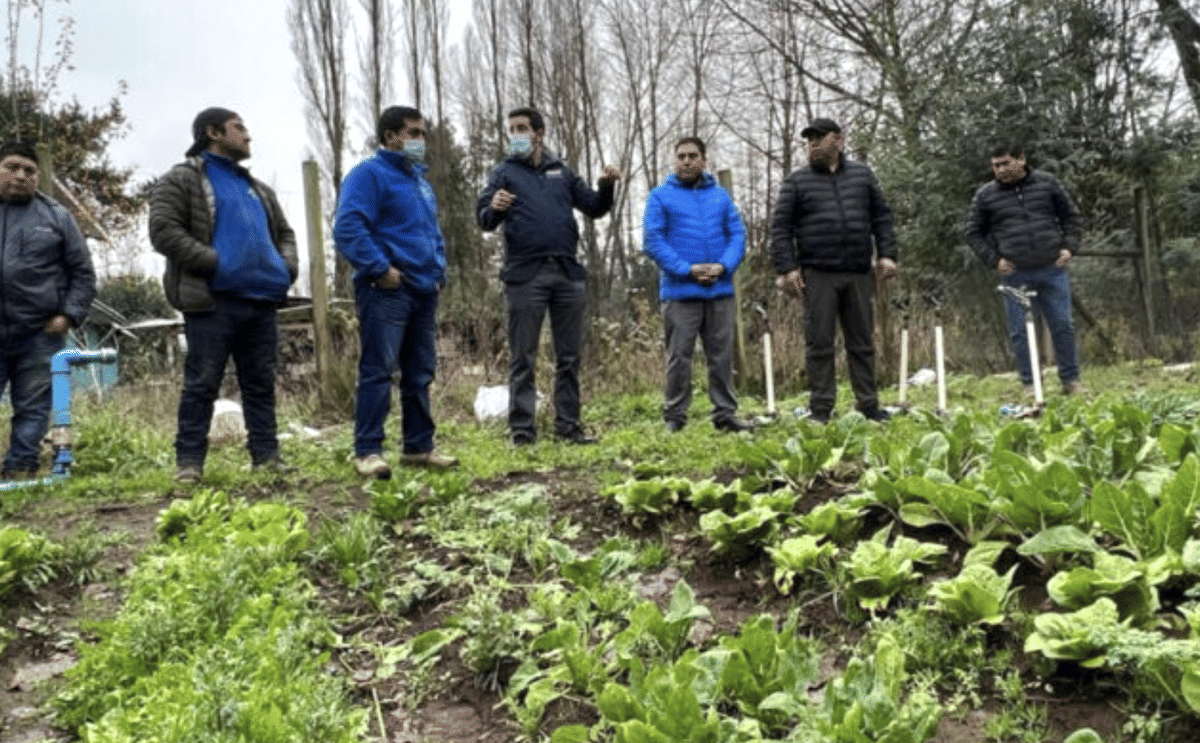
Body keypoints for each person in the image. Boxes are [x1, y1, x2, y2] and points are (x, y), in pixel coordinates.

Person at [149, 108, 298, 484]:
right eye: (239, 128)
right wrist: (216, 263)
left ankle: (267, 458)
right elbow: (164, 230)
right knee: (202, 382)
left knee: (260, 383)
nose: (248, 136)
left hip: (261, 301)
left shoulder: (259, 188)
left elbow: (285, 233)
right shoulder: (182, 179)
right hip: (211, 301)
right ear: (213, 133)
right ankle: (189, 464)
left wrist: (286, 270)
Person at [476, 107, 621, 446]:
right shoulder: (503, 173)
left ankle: (568, 427)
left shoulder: (562, 172)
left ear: (539, 134)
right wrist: (495, 207)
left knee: (569, 357)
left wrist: (606, 186)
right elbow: (483, 220)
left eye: (522, 128)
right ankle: (523, 432)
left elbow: (595, 207)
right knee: (523, 356)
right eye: (511, 129)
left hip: (567, 273)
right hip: (525, 276)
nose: (516, 135)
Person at [334, 105, 457, 478]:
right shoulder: (368, 175)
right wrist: (379, 269)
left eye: (423, 134)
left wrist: (439, 270)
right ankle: (368, 450)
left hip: (423, 289)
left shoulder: (420, 183)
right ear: (390, 137)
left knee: (420, 372)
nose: (422, 141)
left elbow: (430, 233)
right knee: (378, 370)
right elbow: (349, 226)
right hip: (387, 290)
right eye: (414, 133)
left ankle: (418, 447)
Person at [770, 118, 897, 424]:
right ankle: (821, 409)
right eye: (808, 139)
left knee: (862, 342)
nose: (812, 143)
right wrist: (787, 268)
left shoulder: (863, 176)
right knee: (819, 343)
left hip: (858, 272)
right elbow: (780, 229)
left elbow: (882, 218)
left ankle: (869, 405)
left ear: (839, 140)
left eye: (819, 137)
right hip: (818, 274)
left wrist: (888, 255)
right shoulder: (796, 182)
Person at [0, 141, 96, 479]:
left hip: (39, 331)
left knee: (32, 406)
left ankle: (20, 469)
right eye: (12, 167)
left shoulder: (56, 216)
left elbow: (82, 272)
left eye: (30, 171)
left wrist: (68, 315)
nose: (21, 175)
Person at [642, 137, 748, 433]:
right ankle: (675, 417)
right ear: (675, 161)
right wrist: (686, 270)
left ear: (704, 160)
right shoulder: (660, 196)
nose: (686, 161)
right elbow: (653, 241)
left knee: (722, 356)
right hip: (680, 292)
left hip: (720, 291)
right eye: (681, 156)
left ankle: (725, 415)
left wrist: (723, 266)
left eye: (692, 156)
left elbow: (738, 236)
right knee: (679, 357)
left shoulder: (721, 197)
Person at [967, 142, 1082, 396]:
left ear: (1021, 160)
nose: (1000, 170)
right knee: (1020, 332)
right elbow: (973, 232)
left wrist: (1069, 248)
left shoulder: (1048, 183)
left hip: (1052, 269)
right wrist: (994, 259)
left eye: (1005, 163)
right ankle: (1031, 384)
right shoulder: (986, 196)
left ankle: (1071, 381)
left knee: (1063, 325)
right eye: (996, 165)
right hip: (1015, 274)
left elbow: (1071, 218)